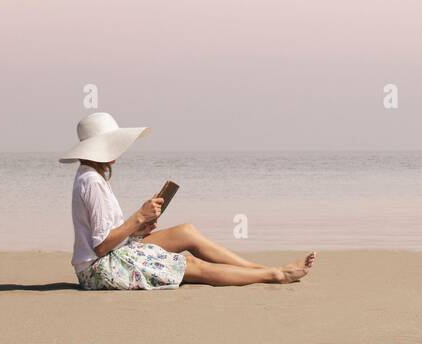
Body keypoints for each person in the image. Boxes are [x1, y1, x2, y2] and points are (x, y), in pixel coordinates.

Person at [63, 112, 316, 290]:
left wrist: (141, 227)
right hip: (99, 269)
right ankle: (276, 274)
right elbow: (100, 247)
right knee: (190, 265)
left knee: (187, 232)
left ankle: (258, 269)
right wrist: (139, 217)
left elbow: (109, 236)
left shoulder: (92, 177)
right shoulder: (92, 182)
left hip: (114, 253)